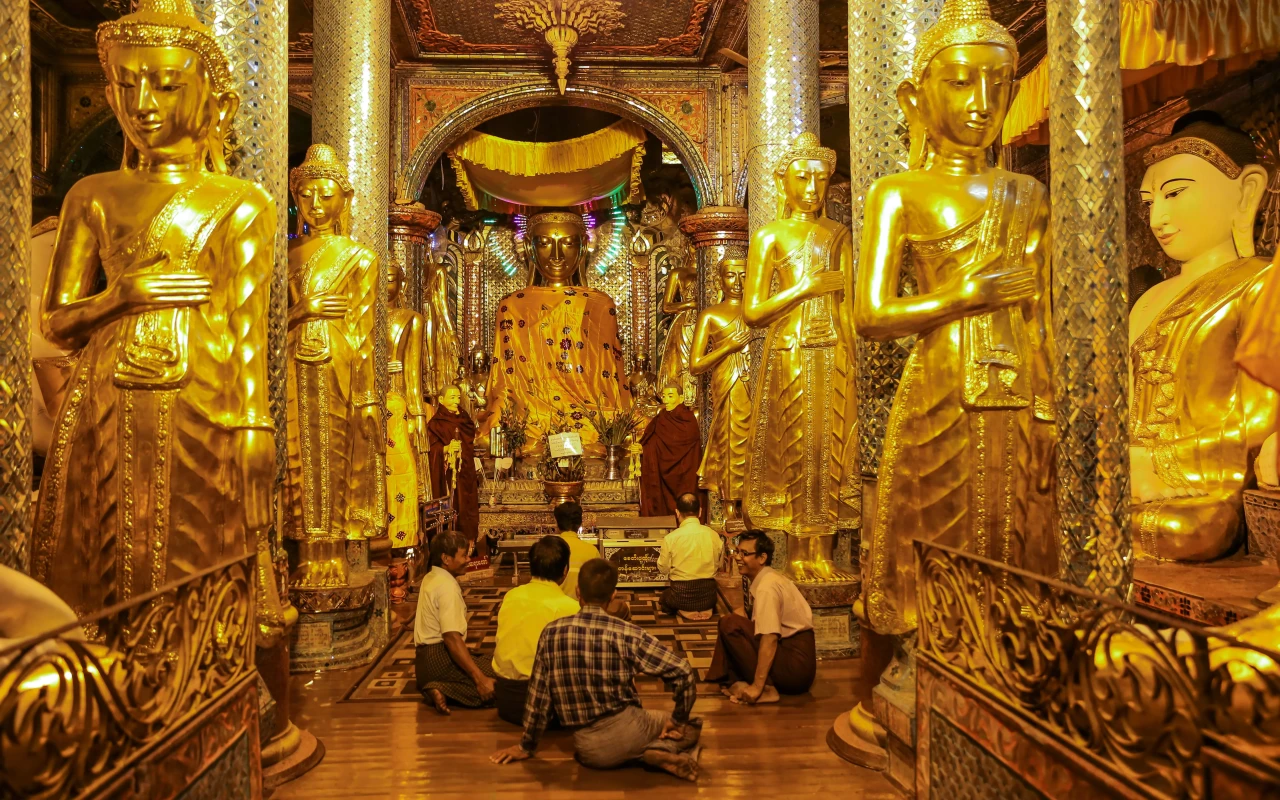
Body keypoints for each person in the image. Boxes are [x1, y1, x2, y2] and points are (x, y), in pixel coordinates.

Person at [489, 559, 704, 781]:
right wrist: (677, 720)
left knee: (656, 730)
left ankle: (645, 754)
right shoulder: (627, 633)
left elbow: (539, 697)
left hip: (588, 749)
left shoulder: (551, 633)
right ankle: (658, 751)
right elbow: (683, 671)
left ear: (577, 591)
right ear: (613, 595)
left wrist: (526, 746)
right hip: (631, 727)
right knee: (691, 727)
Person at [707, 530, 816, 704]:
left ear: (762, 558)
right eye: (738, 552)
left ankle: (766, 689)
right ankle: (733, 680)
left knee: (730, 624)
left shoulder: (767, 587)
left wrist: (757, 686)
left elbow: (770, 637)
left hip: (795, 669)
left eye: (745, 554)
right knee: (733, 619)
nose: (738, 558)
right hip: (797, 666)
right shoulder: (769, 579)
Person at [491, 536, 580, 725]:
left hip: (506, 700)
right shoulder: (569, 607)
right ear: (565, 570)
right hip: (543, 706)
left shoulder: (511, 596)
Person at [414, 530, 496, 714]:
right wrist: (480, 679)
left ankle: (435, 686)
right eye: (464, 555)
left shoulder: (431, 576)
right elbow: (451, 638)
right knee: (504, 682)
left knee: (493, 662)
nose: (468, 560)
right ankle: (443, 689)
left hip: (423, 663)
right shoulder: (447, 587)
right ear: (446, 558)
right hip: (440, 660)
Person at [555, 500, 631, 620]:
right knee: (622, 608)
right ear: (580, 524)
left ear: (557, 523)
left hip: (552, 607)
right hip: (582, 609)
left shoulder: (549, 550)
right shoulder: (590, 550)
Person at [639, 385, 704, 518]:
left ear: (680, 399)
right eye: (664, 396)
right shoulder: (661, 417)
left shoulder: (688, 418)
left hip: (685, 470)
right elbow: (652, 440)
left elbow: (681, 443)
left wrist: (648, 448)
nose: (666, 400)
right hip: (662, 473)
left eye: (670, 396)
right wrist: (643, 448)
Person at [658, 493, 723, 620]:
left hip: (681, 596)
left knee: (664, 598)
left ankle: (684, 609)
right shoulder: (713, 535)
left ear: (677, 513)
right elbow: (719, 566)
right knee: (711, 593)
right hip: (708, 596)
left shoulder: (671, 538)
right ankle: (705, 608)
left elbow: (663, 569)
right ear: (700, 511)